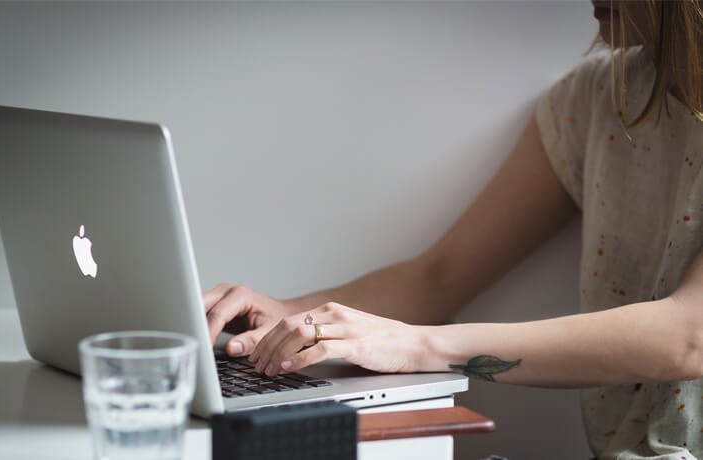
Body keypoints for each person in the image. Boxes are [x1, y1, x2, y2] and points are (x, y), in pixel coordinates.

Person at [203, 1, 703, 458]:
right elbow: (440, 277)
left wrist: (417, 346)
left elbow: (689, 336)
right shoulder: (591, 99)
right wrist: (291, 316)